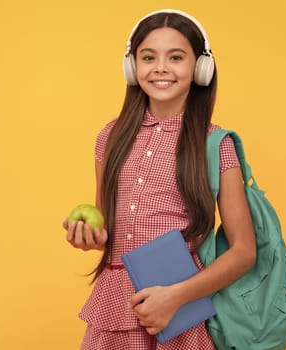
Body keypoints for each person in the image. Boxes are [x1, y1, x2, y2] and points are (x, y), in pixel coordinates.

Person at [63, 9, 257, 350]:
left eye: (176, 57)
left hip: (180, 305)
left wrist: (176, 297)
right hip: (115, 307)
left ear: (200, 68)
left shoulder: (216, 144)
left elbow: (243, 251)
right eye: (148, 57)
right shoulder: (110, 137)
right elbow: (108, 226)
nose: (161, 68)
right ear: (132, 67)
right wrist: (91, 237)